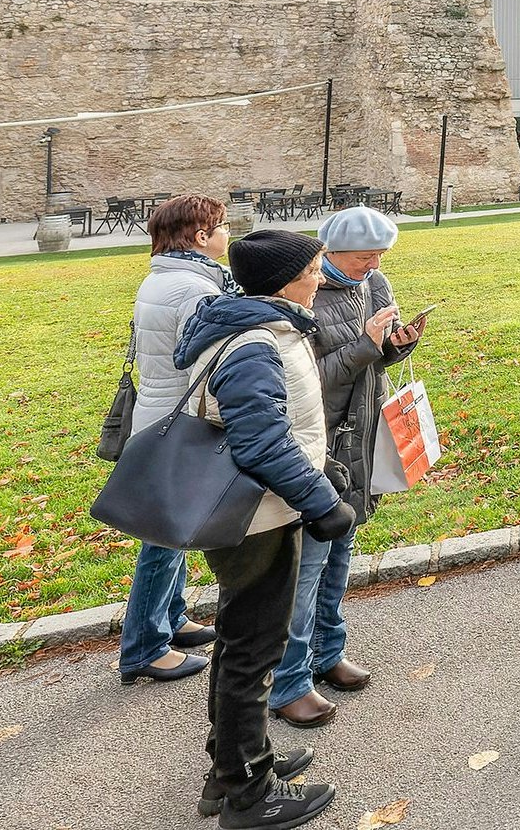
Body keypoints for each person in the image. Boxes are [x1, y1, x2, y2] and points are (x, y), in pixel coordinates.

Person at [177, 229, 352, 828]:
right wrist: (320, 498)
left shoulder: (267, 329)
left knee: (239, 640)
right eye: (312, 270)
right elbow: (261, 440)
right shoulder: (256, 343)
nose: (321, 279)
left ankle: (231, 768)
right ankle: (247, 796)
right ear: (284, 281)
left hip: (266, 509)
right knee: (253, 649)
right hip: (259, 515)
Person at [270, 207, 425, 728]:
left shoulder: (373, 282)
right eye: (364, 257)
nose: (374, 264)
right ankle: (290, 681)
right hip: (321, 444)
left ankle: (327, 652)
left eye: (380, 255)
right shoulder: (304, 294)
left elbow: (376, 359)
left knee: (341, 553)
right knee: (309, 566)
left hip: (362, 434)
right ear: (329, 254)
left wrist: (396, 346)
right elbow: (308, 380)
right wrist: (365, 347)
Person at [117, 196, 234, 688]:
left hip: (160, 414)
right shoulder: (193, 288)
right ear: (201, 235)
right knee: (164, 539)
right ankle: (145, 647)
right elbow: (201, 360)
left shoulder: (164, 277)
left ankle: (172, 616)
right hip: (179, 421)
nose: (229, 234)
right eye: (223, 226)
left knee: (174, 529)